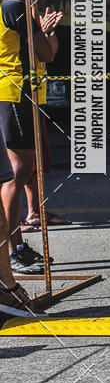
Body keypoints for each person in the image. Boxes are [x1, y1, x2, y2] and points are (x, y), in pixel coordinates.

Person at [0, 0, 62, 276]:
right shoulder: (13, 8)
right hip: (14, 96)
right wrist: (37, 20)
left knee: (15, 173)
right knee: (16, 174)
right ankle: (15, 251)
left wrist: (38, 25)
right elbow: (48, 53)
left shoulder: (6, 8)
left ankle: (15, 250)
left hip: (9, 96)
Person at [0, 122, 32, 311]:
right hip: (13, 97)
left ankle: (5, 286)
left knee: (23, 170)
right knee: (20, 169)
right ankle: (6, 288)